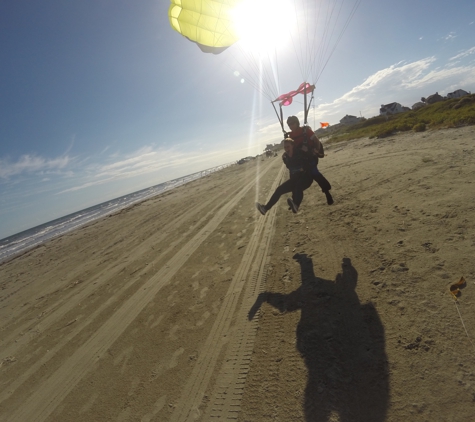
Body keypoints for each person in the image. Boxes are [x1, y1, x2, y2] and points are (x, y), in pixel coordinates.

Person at [256, 138, 313, 215]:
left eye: (288, 147)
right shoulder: (286, 157)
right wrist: (285, 160)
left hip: (306, 178)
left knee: (298, 186)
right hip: (295, 179)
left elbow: (310, 162)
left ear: (292, 146)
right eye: (285, 147)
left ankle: (296, 205)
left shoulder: (300, 152)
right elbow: (290, 168)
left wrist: (303, 166)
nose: (286, 149)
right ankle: (265, 208)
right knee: (279, 189)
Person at [286, 115, 334, 205]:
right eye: (289, 124)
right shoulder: (290, 135)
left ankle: (327, 193)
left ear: (297, 123)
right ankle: (295, 200)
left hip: (310, 156)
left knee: (314, 173)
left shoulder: (306, 131)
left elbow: (316, 141)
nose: (290, 126)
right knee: (294, 176)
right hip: (301, 159)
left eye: (292, 123)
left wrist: (316, 150)